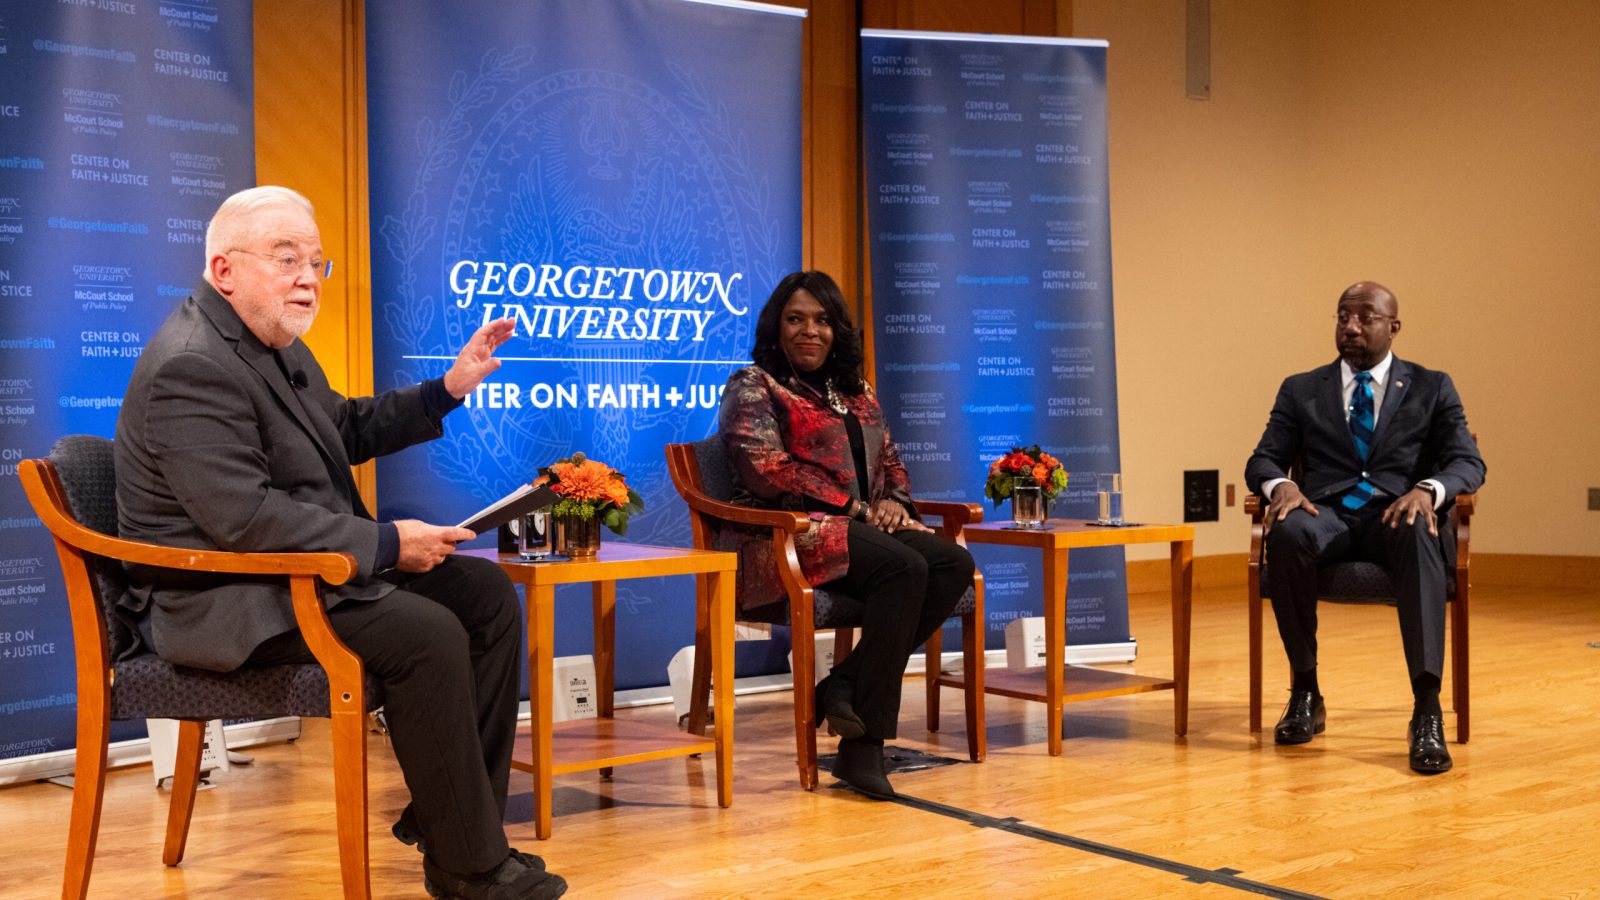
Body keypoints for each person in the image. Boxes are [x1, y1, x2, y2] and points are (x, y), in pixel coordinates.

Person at [114, 186, 566, 898]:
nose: (307, 277)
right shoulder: (192, 364)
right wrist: (386, 544)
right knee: (423, 631)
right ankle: (470, 870)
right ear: (225, 269)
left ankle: (449, 817)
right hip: (221, 598)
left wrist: (447, 388)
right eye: (286, 257)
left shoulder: (270, 344)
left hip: (288, 571)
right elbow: (246, 521)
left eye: (316, 262)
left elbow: (346, 428)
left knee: (481, 594)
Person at [717, 270, 975, 799]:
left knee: (949, 564)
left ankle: (843, 683)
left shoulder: (857, 392)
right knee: (906, 567)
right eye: (795, 319)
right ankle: (864, 748)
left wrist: (891, 503)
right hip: (788, 535)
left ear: (837, 330)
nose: (809, 331)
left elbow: (890, 459)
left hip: (857, 531)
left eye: (822, 320)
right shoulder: (755, 384)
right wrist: (856, 507)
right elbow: (762, 467)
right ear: (776, 326)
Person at [1245, 281, 1485, 774]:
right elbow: (1264, 458)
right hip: (1326, 514)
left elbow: (1467, 462)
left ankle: (1426, 709)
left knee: (1421, 529)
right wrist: (1280, 488)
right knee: (1286, 532)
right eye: (1343, 317)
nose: (1351, 327)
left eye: (1365, 318)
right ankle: (1306, 692)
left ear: (1393, 327)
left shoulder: (1431, 386)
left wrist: (1428, 491)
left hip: (1395, 514)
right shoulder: (1301, 388)